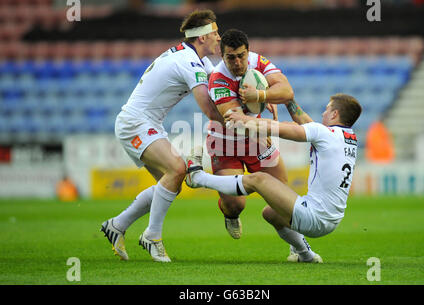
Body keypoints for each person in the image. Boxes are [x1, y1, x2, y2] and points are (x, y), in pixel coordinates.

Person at [100, 9, 223, 262]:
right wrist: (241, 123)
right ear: (201, 38)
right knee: (177, 169)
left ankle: (117, 225)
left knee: (171, 182)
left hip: (147, 123)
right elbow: (209, 108)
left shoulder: (197, 60)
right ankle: (152, 237)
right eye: (215, 33)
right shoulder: (188, 62)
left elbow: (223, 83)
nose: (219, 38)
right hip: (136, 123)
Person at [185, 94, 362, 263]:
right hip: (332, 220)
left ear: (334, 114)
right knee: (271, 213)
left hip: (313, 216)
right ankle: (305, 254)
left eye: (327, 109)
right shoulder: (348, 138)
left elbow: (281, 129)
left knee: (258, 179)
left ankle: (198, 178)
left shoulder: (324, 134)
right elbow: (307, 123)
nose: (323, 113)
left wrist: (246, 120)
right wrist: (288, 100)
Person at [206, 29, 294, 239]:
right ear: (222, 55)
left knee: (282, 194)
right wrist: (262, 123)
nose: (237, 62)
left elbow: (287, 91)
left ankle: (298, 248)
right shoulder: (218, 80)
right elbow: (235, 121)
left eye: (241, 56)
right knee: (236, 203)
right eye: (231, 57)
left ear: (248, 52)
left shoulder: (258, 61)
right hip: (225, 141)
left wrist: (262, 95)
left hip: (256, 137)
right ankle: (230, 214)